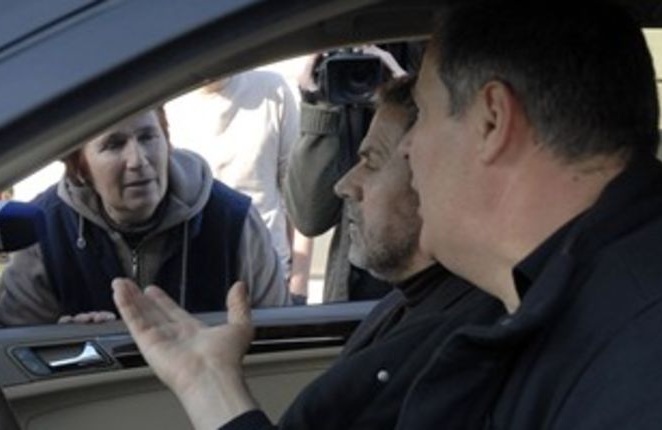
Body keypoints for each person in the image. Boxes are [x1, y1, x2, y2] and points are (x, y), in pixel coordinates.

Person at [116, 1, 662, 428]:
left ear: (491, 121)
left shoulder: (661, 352)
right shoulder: (577, 301)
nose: (410, 150)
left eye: (424, 116)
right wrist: (209, 386)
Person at [113, 78, 503, 429]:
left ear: (434, 171)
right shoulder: (404, 306)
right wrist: (205, 378)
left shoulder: (466, 346)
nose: (346, 186)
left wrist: (208, 381)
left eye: (371, 161)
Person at [0, 108, 288, 326]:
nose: (138, 160)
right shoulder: (45, 230)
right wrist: (62, 344)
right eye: (114, 144)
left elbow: (281, 338)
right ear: (80, 168)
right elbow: (10, 352)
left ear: (167, 142)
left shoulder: (232, 220)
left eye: (148, 137)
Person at [285, 45, 422, 302]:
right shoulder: (338, 78)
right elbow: (310, 217)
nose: (345, 186)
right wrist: (320, 105)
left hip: (419, 288)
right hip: (352, 292)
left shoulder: (426, 53)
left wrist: (407, 99)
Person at [165, 70, 314, 304]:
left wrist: (299, 283)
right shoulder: (165, 102)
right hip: (198, 278)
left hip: (271, 275)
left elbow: (298, 194)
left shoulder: (273, 89)